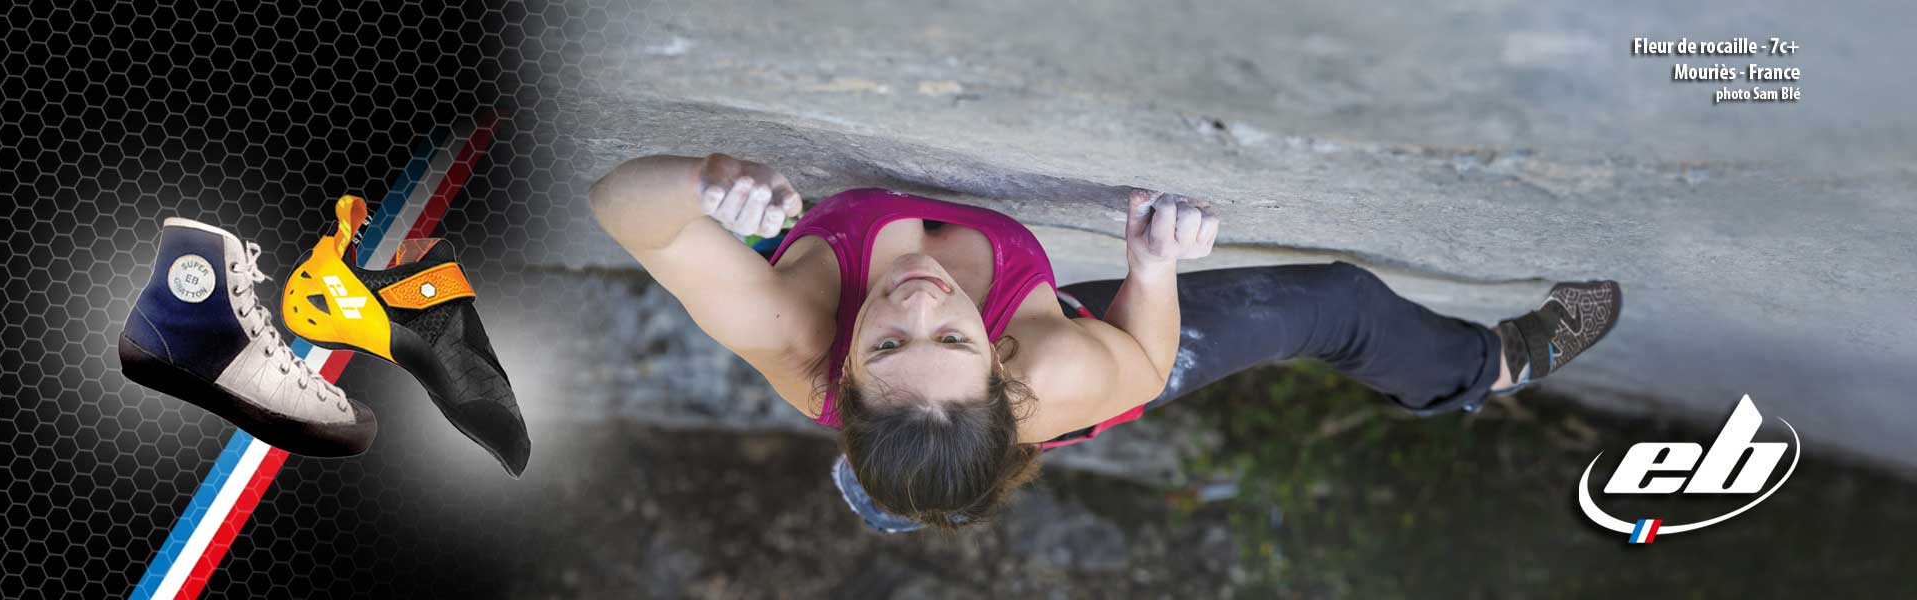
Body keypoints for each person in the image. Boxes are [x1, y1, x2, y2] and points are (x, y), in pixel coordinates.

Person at [589, 153, 1621, 531]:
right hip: (1076, 349)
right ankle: (1490, 369)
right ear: (996, 361)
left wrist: (701, 182)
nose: (914, 299)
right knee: (1338, 302)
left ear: (845, 375)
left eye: (889, 348)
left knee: (918, 450)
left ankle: (899, 483)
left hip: (924, 398)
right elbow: (1144, 348)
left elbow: (624, 209)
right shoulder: (1060, 374)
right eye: (945, 332)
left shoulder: (796, 331)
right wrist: (1153, 269)